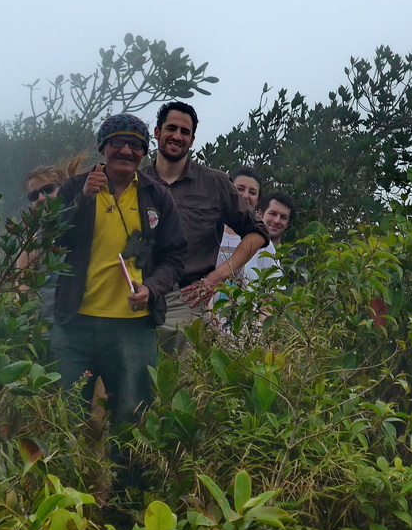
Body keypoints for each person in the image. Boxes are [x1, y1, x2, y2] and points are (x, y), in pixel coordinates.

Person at [50, 113, 186, 430]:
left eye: (136, 145)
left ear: (144, 152)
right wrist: (83, 200)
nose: (127, 151)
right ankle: (67, 477)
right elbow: (54, 240)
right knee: (65, 417)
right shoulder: (74, 188)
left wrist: (152, 289)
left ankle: (127, 481)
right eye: (118, 143)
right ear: (103, 147)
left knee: (132, 418)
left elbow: (175, 255)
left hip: (133, 329)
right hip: (74, 325)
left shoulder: (157, 195)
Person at [141, 102, 269, 347]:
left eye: (185, 132)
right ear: (157, 133)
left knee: (184, 381)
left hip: (187, 298)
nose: (177, 136)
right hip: (138, 293)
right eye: (171, 128)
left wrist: (218, 276)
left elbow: (258, 232)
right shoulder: (137, 181)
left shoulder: (214, 182)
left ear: (192, 139)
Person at [16, 154, 87, 321]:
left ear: (66, 187)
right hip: (52, 329)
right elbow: (21, 291)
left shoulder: (88, 225)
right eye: (34, 196)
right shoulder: (33, 243)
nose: (41, 198)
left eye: (48, 190)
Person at [218, 167, 279, 285]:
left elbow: (274, 289)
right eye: (240, 189)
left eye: (252, 192)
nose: (245, 196)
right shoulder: (210, 232)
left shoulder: (263, 244)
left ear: (257, 200)